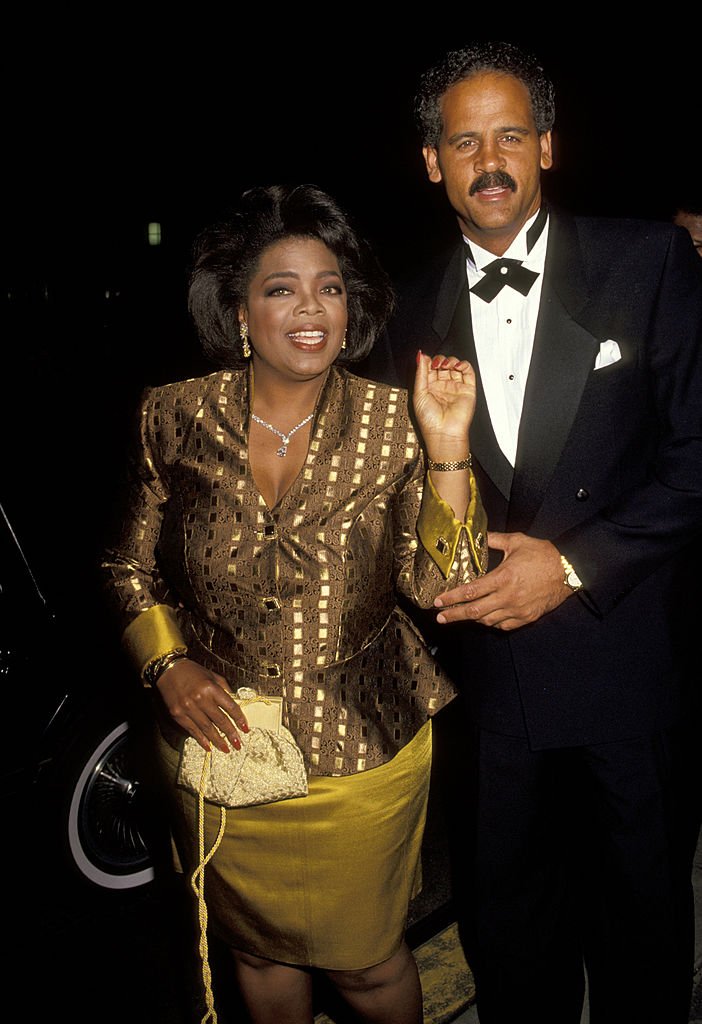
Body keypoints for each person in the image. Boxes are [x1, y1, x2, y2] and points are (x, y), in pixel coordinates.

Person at [359, 40, 702, 1024]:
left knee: (642, 930)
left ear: (548, 145)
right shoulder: (397, 314)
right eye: (463, 142)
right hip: (489, 698)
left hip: (626, 672)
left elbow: (696, 457)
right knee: (514, 939)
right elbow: (400, 519)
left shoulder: (647, 263)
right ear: (432, 162)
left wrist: (575, 565)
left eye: (511, 134)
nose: (490, 159)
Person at [100, 183, 486, 1024]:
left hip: (363, 749)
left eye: (332, 287)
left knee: (367, 964)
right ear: (240, 311)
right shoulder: (172, 415)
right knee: (256, 951)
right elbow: (124, 567)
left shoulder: (396, 423)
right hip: (217, 747)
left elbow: (443, 585)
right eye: (282, 288)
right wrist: (166, 664)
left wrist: (450, 449)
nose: (312, 308)